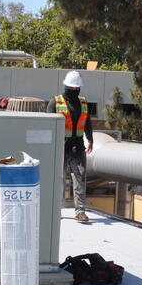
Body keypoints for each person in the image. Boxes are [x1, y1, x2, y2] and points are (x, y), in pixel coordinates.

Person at [49, 71, 94, 222]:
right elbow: (47, 126)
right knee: (57, 179)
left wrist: (90, 140)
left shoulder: (83, 103)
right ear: (66, 86)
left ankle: (80, 212)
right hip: (59, 147)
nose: (75, 91)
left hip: (78, 146)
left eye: (77, 89)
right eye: (72, 89)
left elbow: (87, 122)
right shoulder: (55, 102)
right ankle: (55, 211)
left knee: (79, 178)